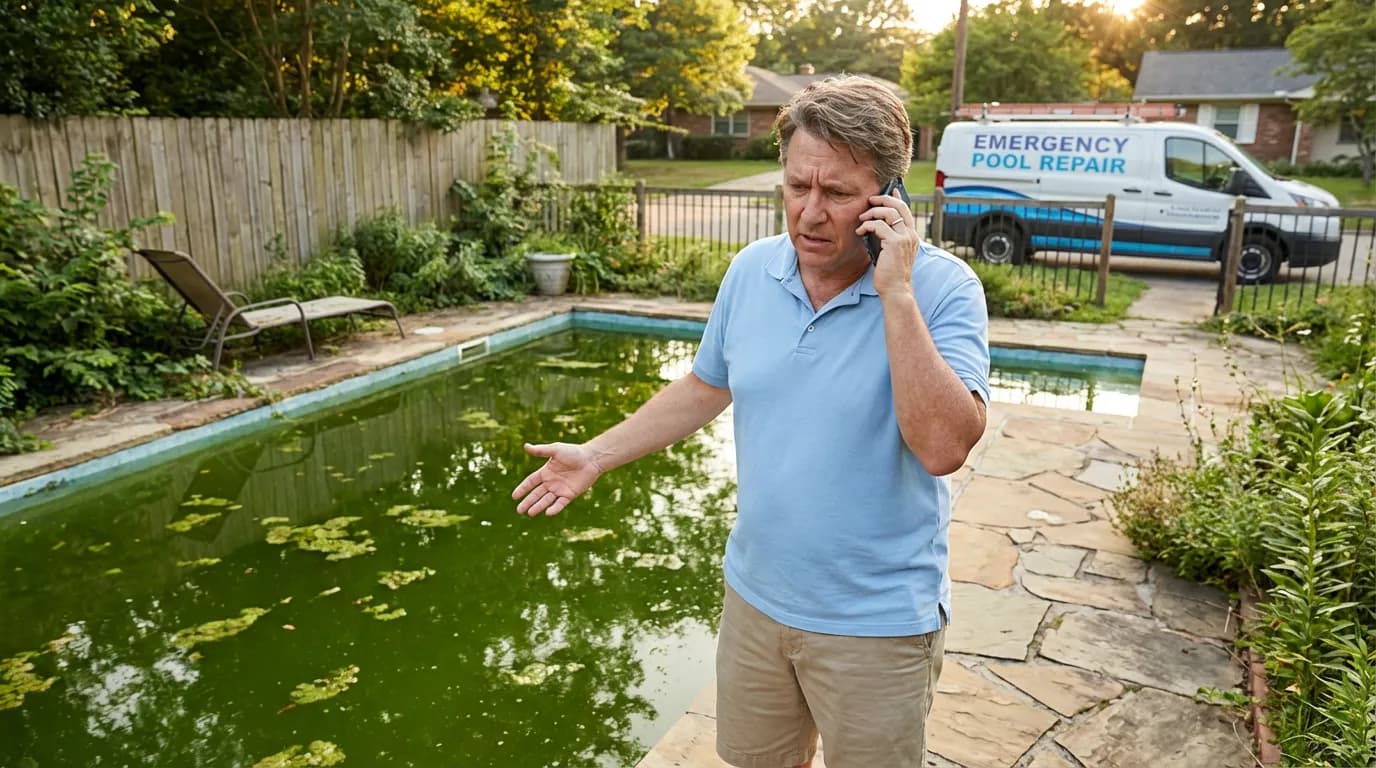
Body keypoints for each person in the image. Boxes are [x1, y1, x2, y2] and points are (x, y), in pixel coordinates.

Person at [512, 76, 990, 768]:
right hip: (756, 602)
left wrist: (896, 293)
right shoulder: (751, 270)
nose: (810, 213)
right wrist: (596, 454)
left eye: (837, 193)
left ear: (890, 197)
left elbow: (944, 447)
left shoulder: (944, 290)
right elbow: (707, 385)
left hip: (876, 623)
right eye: (797, 186)